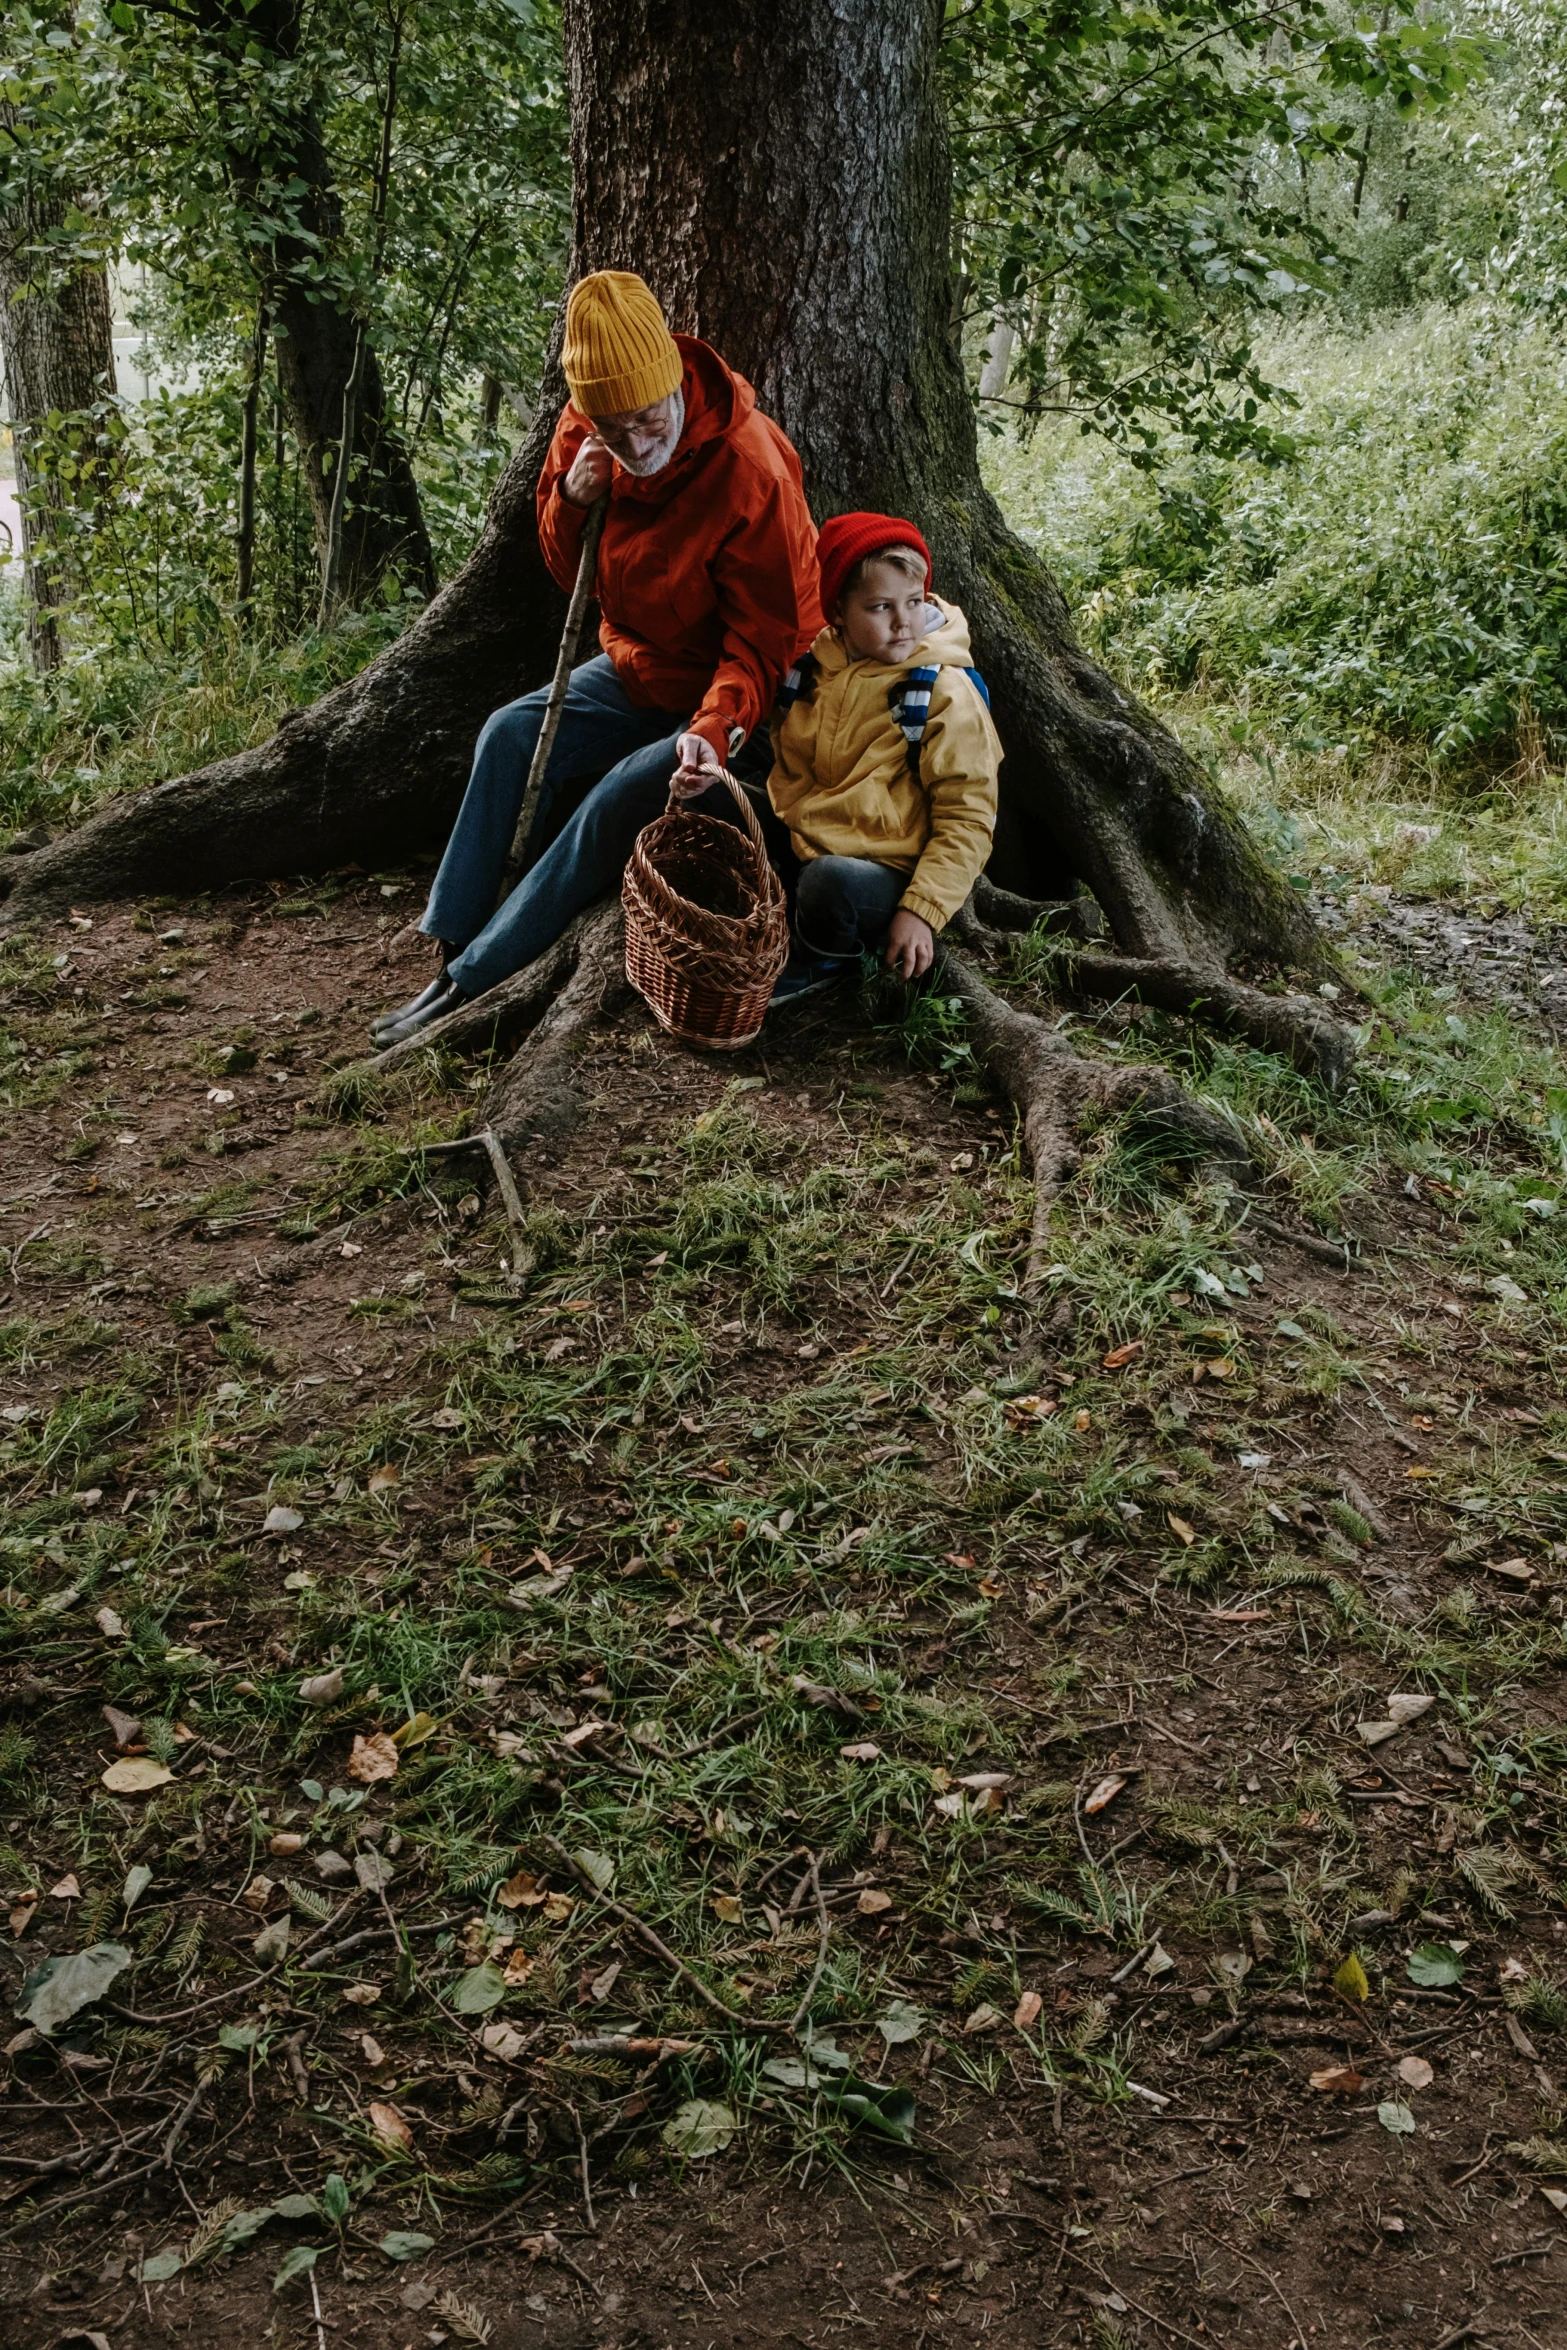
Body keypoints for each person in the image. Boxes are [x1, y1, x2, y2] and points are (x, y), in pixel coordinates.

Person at [372, 270, 821, 1047]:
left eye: (648, 420)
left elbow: (765, 639)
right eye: (616, 429)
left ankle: (480, 978)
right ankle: (454, 942)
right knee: (510, 732)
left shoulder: (750, 469)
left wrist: (713, 731)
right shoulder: (587, 429)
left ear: (675, 384)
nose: (636, 444)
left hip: (736, 695)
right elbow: (568, 572)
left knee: (618, 793)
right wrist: (569, 502)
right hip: (640, 665)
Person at [766, 511, 1001, 996]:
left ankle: (823, 959)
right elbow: (787, 766)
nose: (902, 623)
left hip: (886, 872)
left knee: (829, 883)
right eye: (879, 607)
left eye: (913, 602)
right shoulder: (814, 670)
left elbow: (969, 817)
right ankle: (756, 923)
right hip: (810, 836)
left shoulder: (941, 690)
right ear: (837, 613)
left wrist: (921, 910)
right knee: (711, 801)